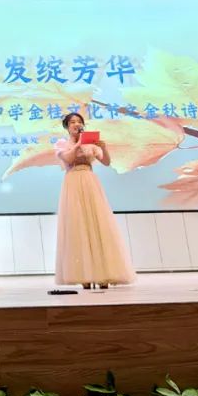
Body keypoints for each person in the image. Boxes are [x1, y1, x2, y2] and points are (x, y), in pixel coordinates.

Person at [54, 112, 137, 289]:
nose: (76, 124)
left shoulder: (91, 144)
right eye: (72, 122)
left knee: (98, 223)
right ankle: (83, 276)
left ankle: (103, 274)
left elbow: (106, 162)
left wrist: (103, 148)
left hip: (89, 179)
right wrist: (78, 143)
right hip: (73, 181)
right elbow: (68, 158)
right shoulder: (62, 144)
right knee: (78, 225)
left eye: (79, 122)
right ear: (67, 127)